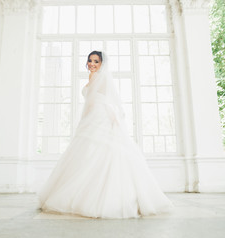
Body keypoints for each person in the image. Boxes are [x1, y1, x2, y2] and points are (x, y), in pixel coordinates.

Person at [38, 51, 172, 219]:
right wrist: (111, 116)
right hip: (102, 114)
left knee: (93, 153)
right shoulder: (98, 77)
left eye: (96, 61)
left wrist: (85, 120)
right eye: (90, 60)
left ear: (102, 64)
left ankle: (101, 199)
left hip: (96, 115)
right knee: (95, 153)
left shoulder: (95, 77)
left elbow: (93, 102)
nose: (92, 64)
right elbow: (104, 100)